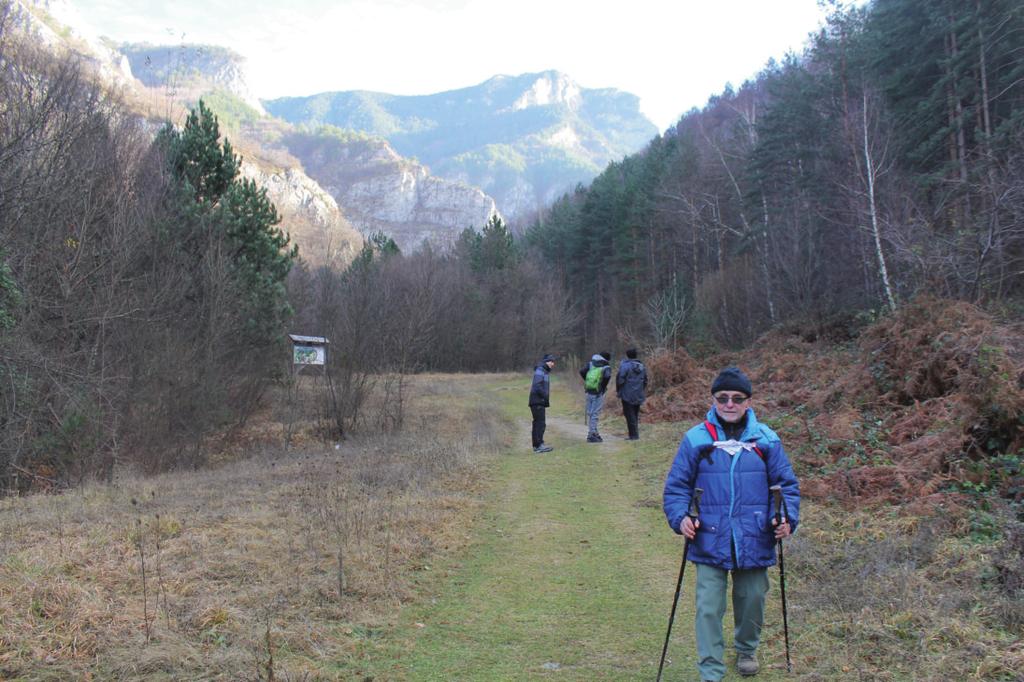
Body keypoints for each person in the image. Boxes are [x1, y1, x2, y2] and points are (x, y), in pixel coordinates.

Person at [662, 366, 800, 682]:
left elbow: (785, 485)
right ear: (713, 399)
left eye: (737, 398)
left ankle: (747, 649)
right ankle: (711, 668)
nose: (729, 404)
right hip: (707, 535)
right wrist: (680, 517)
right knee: (708, 607)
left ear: (748, 402)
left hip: (755, 536)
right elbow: (677, 486)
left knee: (752, 600)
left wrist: (785, 518)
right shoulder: (696, 438)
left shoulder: (767, 439)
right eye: (722, 397)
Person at [615, 347, 648, 440]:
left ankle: (633, 436)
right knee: (635, 414)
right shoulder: (642, 367)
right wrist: (640, 390)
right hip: (638, 394)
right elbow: (645, 381)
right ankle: (634, 434)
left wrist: (619, 391)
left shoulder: (625, 366)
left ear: (627, 355)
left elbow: (620, 380)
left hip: (627, 394)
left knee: (629, 415)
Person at [579, 351, 612, 442]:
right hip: (598, 393)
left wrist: (588, 381)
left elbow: (581, 371)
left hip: (589, 391)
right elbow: (607, 377)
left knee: (590, 412)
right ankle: (592, 434)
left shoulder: (591, 363)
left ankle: (594, 432)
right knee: (595, 413)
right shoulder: (606, 366)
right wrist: (602, 387)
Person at [528, 354, 556, 453]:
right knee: (540, 424)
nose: (553, 363)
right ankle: (539, 445)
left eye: (553, 362)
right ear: (546, 361)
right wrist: (544, 395)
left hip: (537, 401)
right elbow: (537, 385)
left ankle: (537, 445)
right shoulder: (541, 370)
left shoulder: (543, 371)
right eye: (551, 361)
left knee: (537, 423)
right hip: (537, 401)